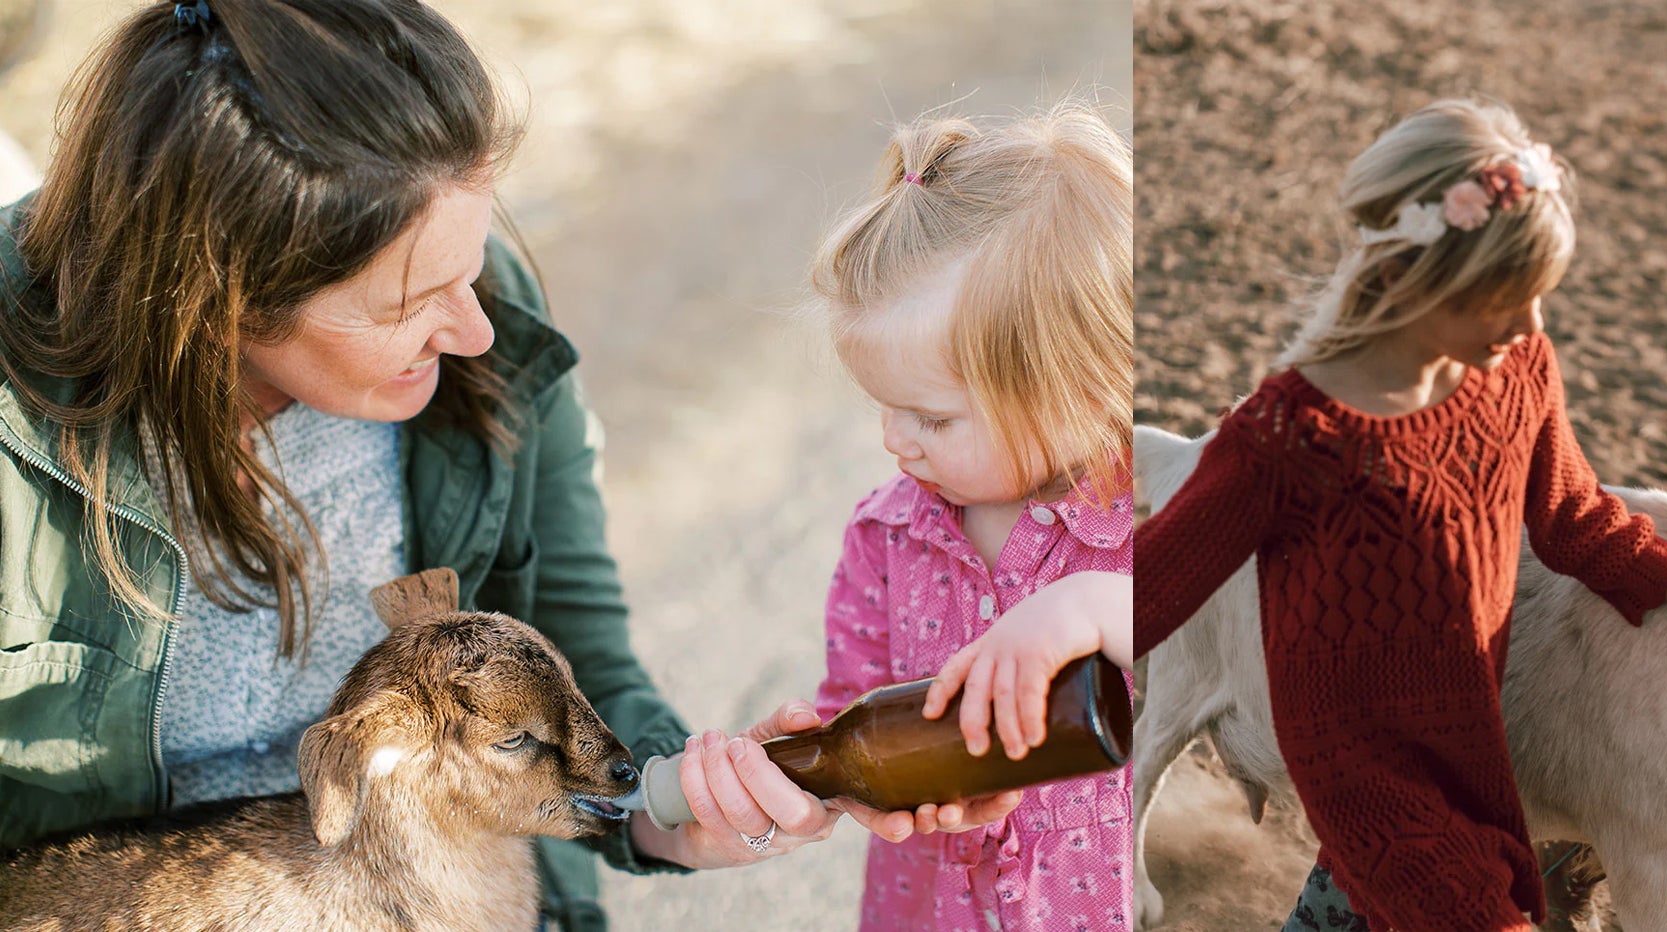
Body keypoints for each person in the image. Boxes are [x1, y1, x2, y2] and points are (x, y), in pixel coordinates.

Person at [0, 3, 986, 928]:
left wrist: (675, 805)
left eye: (469, 268)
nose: (475, 328)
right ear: (213, 297)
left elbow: (574, 650)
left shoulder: (487, 323)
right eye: (412, 302)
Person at [1129, 98, 1667, 931]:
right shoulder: (1291, 434)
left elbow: (1573, 513)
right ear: (1410, 277)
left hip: (1470, 758)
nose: (1527, 325)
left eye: (1539, 299)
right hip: (1368, 789)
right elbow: (1145, 590)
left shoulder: (1517, 369)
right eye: (1502, 299)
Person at [801, 100, 1136, 931]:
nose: (894, 440)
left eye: (933, 419)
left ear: (1081, 390)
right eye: (884, 407)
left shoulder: (1146, 527)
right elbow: (857, 711)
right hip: (932, 903)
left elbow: (1219, 660)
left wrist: (1091, 609)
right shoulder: (886, 536)